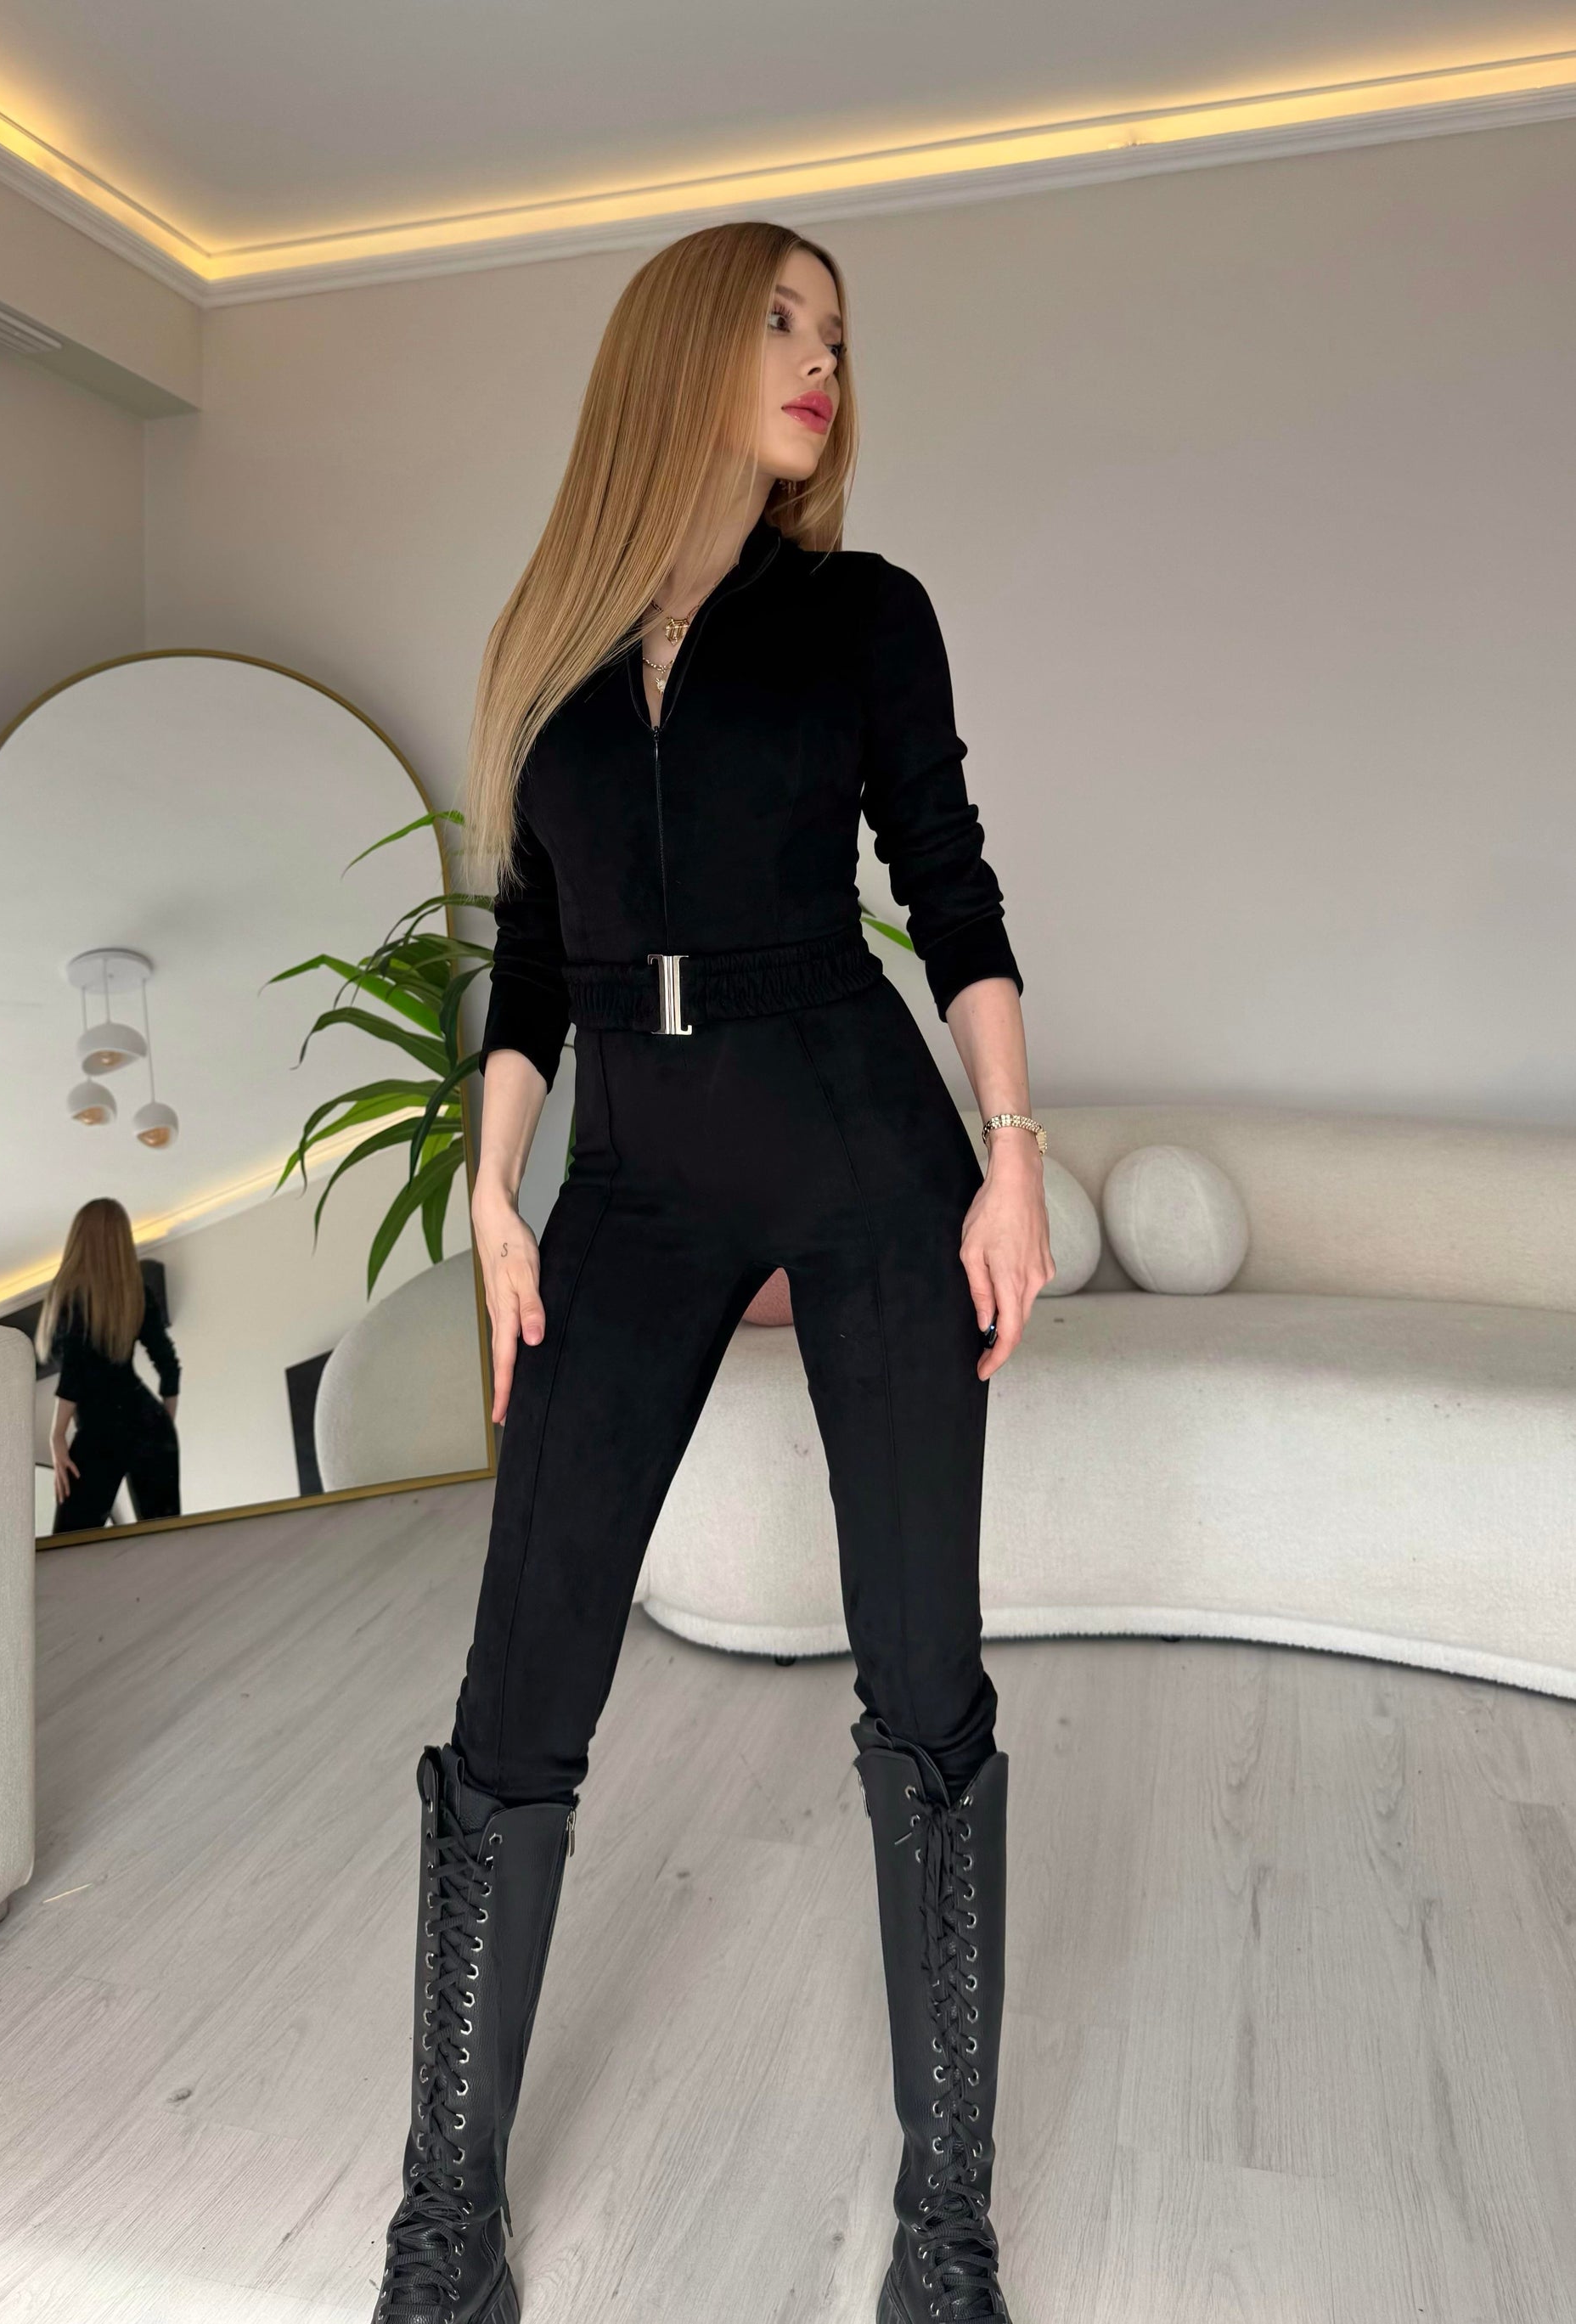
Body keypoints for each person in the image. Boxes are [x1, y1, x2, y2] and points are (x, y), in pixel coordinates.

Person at [370, 220, 1054, 2324]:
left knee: (920, 1676)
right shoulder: (553, 647)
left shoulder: (861, 614)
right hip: (633, 1182)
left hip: (862, 1150)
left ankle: (946, 2233)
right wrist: (495, 1194)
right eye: (779, 319)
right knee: (517, 1687)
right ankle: (444, 2226)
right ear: (678, 353)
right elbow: (531, 961)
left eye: (836, 331)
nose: (820, 359)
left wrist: (1011, 1159)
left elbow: (948, 886)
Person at [37, 1196, 182, 1533]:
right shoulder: (137, 1295)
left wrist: (57, 1435)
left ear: (80, 1239)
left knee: (71, 1545)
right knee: (165, 1543)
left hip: (99, 1432)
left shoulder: (70, 1297)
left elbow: (75, 1373)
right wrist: (163, 1425)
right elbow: (169, 1366)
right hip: (147, 1423)